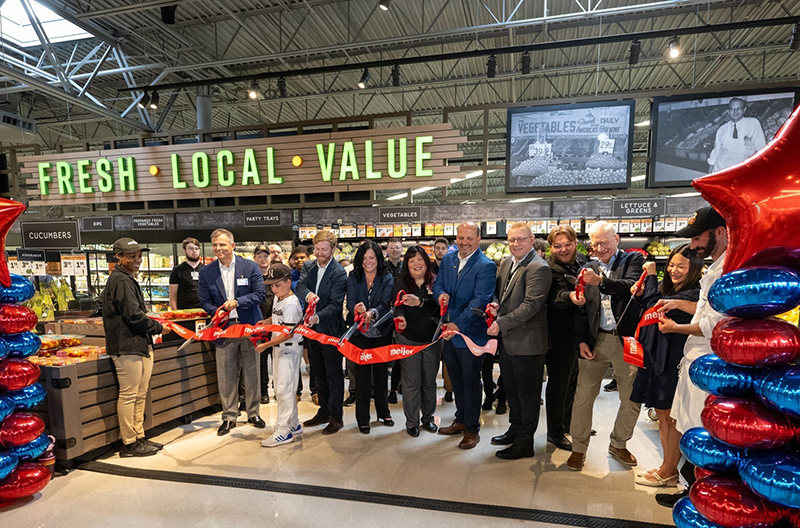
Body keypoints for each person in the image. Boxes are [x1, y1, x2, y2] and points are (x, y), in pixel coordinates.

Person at [654, 207, 727, 507]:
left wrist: (675, 327)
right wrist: (677, 306)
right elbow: (703, 310)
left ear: (720, 232)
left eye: (698, 238)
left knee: (700, 430)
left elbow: (714, 325)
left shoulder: (726, 270)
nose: (694, 246)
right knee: (687, 425)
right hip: (695, 363)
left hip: (708, 366)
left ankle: (702, 497)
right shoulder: (714, 267)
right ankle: (693, 490)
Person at [566, 221, 644, 471]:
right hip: (595, 339)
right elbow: (580, 310)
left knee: (631, 397)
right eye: (595, 243)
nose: (599, 248)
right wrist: (580, 340)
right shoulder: (586, 268)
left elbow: (630, 287)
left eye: (604, 242)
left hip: (626, 340)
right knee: (583, 396)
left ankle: (619, 443)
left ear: (617, 239)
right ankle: (578, 448)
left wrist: (599, 282)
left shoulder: (633, 262)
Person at [630, 245, 702, 487]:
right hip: (658, 357)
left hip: (674, 360)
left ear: (694, 269)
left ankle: (670, 469)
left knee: (672, 417)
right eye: (671, 265)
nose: (674, 270)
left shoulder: (695, 292)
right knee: (662, 414)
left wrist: (651, 276)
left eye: (681, 266)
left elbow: (656, 303)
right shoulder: (671, 288)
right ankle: (666, 466)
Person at [487, 222, 552, 459]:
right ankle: (514, 430)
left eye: (521, 240)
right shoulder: (506, 262)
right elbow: (500, 293)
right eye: (512, 240)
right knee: (512, 392)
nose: (515, 244)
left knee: (528, 397)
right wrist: (496, 304)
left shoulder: (538, 267)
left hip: (528, 344)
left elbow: (531, 306)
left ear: (531, 240)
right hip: (509, 343)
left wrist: (501, 323)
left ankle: (525, 443)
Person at [104, 237, 171, 457]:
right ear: (119, 257)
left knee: (140, 394)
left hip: (138, 344)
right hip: (126, 346)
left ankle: (139, 436)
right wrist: (158, 328)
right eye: (132, 256)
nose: (137, 260)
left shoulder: (126, 279)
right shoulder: (121, 280)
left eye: (139, 255)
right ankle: (129, 443)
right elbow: (133, 315)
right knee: (130, 394)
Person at [433, 222, 497, 449]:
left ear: (478, 240)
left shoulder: (486, 265)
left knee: (470, 382)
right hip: (449, 335)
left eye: (469, 238)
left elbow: (479, 300)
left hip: (470, 336)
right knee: (456, 382)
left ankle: (472, 429)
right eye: (460, 237)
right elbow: (438, 284)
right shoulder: (449, 259)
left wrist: (456, 325)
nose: (464, 242)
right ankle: (460, 419)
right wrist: (440, 295)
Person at [198, 229, 267, 436]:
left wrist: (238, 302)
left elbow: (260, 294)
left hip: (248, 327)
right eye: (215, 245)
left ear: (233, 245)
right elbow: (205, 300)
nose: (218, 249)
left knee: (252, 371)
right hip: (224, 329)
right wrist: (219, 312)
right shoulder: (207, 272)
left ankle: (253, 412)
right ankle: (229, 416)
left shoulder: (250, 266)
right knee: (226, 374)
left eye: (222, 245)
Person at [297, 230, 348, 435]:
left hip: (330, 329)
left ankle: (336, 417)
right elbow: (300, 286)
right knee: (318, 372)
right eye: (316, 248)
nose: (319, 253)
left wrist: (318, 317)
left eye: (323, 249)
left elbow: (336, 305)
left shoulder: (338, 272)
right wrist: (308, 294)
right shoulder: (309, 266)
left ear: (333, 249)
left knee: (334, 374)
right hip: (312, 330)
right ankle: (323, 411)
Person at [545, 225, 588, 451]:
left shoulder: (580, 261)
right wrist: (571, 296)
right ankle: (554, 431)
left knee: (573, 380)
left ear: (575, 243)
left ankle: (568, 423)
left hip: (577, 333)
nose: (563, 249)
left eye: (567, 244)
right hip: (557, 334)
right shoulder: (549, 268)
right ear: (551, 247)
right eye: (557, 246)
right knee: (558, 384)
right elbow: (555, 297)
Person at [346, 240, 395, 434]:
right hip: (360, 332)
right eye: (365, 258)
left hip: (381, 330)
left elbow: (385, 303)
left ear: (378, 259)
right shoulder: (353, 276)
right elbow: (350, 300)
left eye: (372, 258)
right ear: (360, 259)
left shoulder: (387, 276)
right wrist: (357, 310)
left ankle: (384, 412)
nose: (368, 262)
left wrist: (372, 312)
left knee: (382, 373)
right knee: (362, 375)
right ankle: (363, 417)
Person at [395, 246, 441, 437]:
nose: (416, 264)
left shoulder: (436, 282)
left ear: (426, 261)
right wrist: (400, 318)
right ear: (407, 263)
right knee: (411, 383)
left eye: (420, 259)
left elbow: (440, 306)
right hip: (408, 340)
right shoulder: (401, 282)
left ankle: (428, 418)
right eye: (412, 260)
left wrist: (421, 302)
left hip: (431, 340)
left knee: (429, 382)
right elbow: (396, 306)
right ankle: (412, 422)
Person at [256, 263, 304, 447]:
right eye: (271, 285)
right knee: (284, 388)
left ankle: (284, 431)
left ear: (288, 282)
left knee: (283, 389)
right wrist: (266, 322)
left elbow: (289, 333)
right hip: (280, 348)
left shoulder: (292, 303)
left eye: (277, 285)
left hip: (289, 348)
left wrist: (266, 344)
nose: (274, 289)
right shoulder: (279, 298)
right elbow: (277, 318)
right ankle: (293, 423)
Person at [707, 97, 767, 173]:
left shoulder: (753, 123)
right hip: (721, 170)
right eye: (732, 109)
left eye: (738, 108)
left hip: (743, 170)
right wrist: (709, 174)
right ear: (728, 111)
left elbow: (761, 148)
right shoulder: (722, 129)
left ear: (744, 110)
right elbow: (716, 152)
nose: (735, 111)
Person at [433, 237, 454, 402]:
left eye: (443, 248)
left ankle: (449, 388)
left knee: (448, 355)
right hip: (432, 316)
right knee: (433, 354)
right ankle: (430, 384)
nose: (440, 251)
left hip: (449, 317)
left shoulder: (451, 267)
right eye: (437, 248)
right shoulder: (428, 267)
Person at [253, 244, 275, 404]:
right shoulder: (251, 277)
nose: (263, 258)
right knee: (260, 361)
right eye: (260, 255)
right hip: (258, 325)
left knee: (278, 358)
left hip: (275, 324)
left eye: (266, 255)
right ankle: (262, 391)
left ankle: (280, 389)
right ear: (255, 258)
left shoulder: (275, 276)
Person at [386, 237, 404, 404]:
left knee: (399, 352)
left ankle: (395, 387)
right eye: (392, 248)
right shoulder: (382, 267)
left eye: (397, 247)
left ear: (401, 249)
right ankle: (383, 386)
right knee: (385, 352)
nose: (394, 250)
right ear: (387, 250)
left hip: (402, 314)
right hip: (384, 314)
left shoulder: (406, 267)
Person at [168, 237, 205, 310]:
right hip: (185, 312)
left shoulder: (206, 269)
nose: (194, 251)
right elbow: (172, 297)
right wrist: (176, 314)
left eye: (196, 248)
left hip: (205, 311)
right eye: (190, 249)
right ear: (184, 251)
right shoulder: (177, 270)